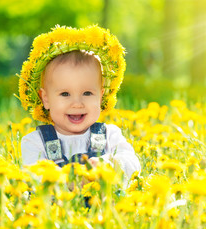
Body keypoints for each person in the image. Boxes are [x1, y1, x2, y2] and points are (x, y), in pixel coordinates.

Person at [18, 25, 141, 179]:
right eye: (65, 94)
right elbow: (33, 177)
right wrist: (67, 179)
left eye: (87, 93)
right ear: (46, 99)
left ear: (100, 96)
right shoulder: (35, 142)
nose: (77, 103)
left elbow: (133, 163)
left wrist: (109, 165)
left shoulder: (110, 136)